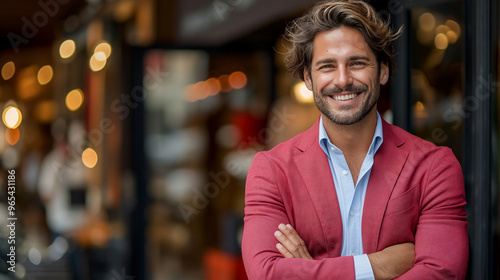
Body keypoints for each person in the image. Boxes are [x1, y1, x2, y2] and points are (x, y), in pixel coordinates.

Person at [241, 0, 468, 279]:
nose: (343, 79)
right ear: (308, 79)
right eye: (326, 66)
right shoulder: (272, 169)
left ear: (383, 70)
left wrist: (309, 270)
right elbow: (266, 273)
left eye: (357, 63)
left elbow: (442, 273)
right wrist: (378, 265)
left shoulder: (435, 166)